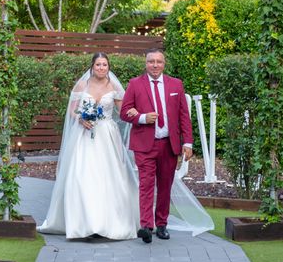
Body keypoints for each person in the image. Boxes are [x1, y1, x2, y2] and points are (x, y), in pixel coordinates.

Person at [38, 52, 140, 240]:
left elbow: (122, 111)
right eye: (98, 65)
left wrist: (135, 112)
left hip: (107, 135)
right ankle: (85, 223)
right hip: (84, 135)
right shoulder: (82, 85)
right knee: (81, 175)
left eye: (105, 65)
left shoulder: (114, 86)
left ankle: (108, 223)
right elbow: (72, 108)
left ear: (109, 67)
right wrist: (80, 118)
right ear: (92, 66)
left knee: (109, 177)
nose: (101, 68)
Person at [120, 49, 194, 243]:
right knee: (146, 185)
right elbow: (124, 112)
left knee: (165, 186)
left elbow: (184, 116)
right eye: (151, 61)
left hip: (169, 145)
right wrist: (143, 118)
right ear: (145, 63)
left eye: (158, 62)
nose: (154, 65)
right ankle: (146, 226)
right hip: (145, 145)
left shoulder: (176, 84)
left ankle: (162, 224)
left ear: (164, 64)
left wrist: (187, 143)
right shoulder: (135, 84)